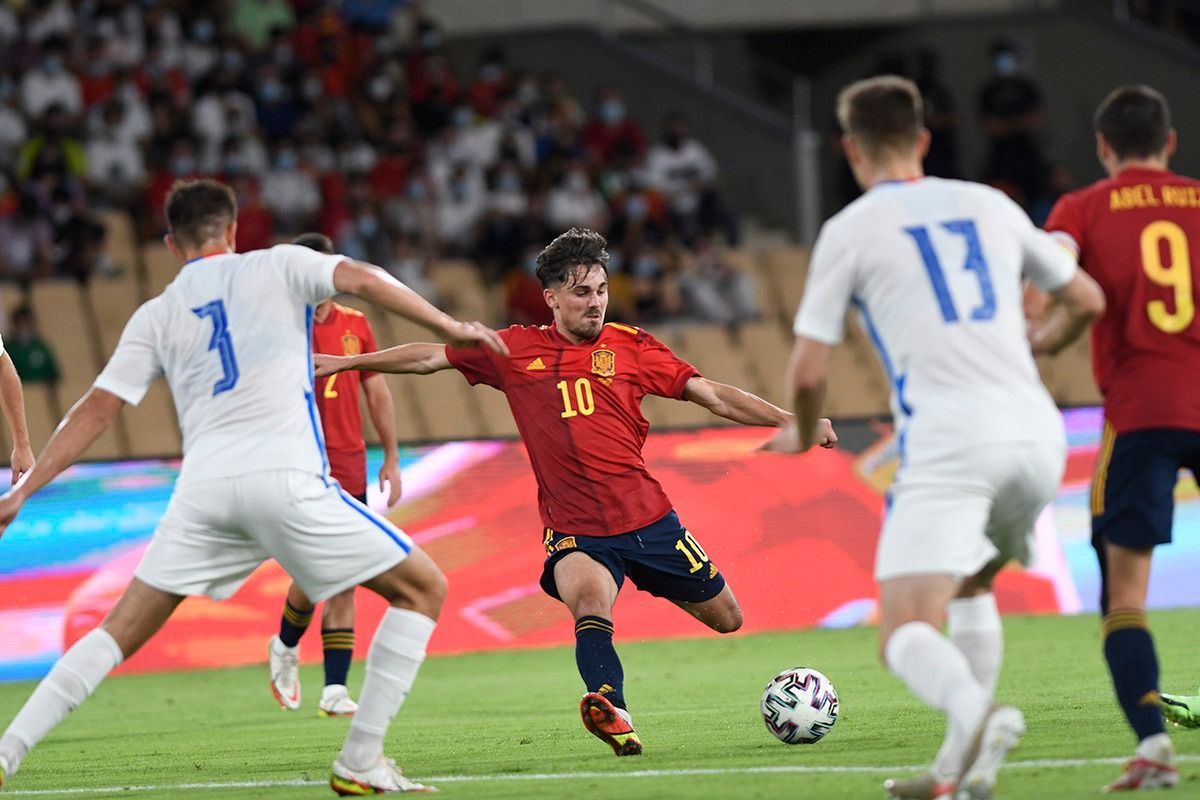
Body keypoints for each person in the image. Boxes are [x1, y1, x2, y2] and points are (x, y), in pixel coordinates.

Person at [0, 178, 507, 794]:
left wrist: (23, 491)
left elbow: (94, 410)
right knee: (424, 587)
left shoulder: (155, 313)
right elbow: (366, 279)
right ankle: (360, 760)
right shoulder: (281, 265)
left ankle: (6, 753)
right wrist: (449, 324)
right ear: (234, 231)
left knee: (115, 633)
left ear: (169, 243)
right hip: (285, 478)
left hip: (203, 494)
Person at [315, 226, 837, 757]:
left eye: (602, 290)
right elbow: (430, 357)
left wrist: (795, 419)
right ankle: (612, 709)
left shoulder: (633, 348)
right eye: (582, 292)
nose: (596, 303)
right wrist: (349, 362)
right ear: (553, 298)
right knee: (590, 602)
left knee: (729, 619)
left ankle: (616, 692)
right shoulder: (514, 349)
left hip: (652, 521)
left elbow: (715, 397)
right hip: (576, 529)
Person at [764, 76, 1104, 800]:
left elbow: (805, 372)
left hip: (953, 444)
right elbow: (1087, 299)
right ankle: (954, 774)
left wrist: (798, 435)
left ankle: (980, 716)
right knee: (974, 582)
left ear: (850, 150)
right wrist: (1041, 341)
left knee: (902, 628)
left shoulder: (851, 228)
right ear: (923, 139)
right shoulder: (991, 203)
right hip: (1040, 437)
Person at [1043, 84, 1200, 791]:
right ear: (1170, 142)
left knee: (1126, 595)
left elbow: (1050, 268)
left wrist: (1041, 336)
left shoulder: (1081, 207)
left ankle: (1153, 746)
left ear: (1104, 148)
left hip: (1141, 414)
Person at [267, 232, 403, 720]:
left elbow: (378, 393)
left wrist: (390, 455)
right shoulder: (277, 327)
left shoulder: (356, 324)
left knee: (343, 572)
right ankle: (284, 643)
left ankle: (333, 690)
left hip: (350, 463)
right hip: (299, 462)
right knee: (320, 568)